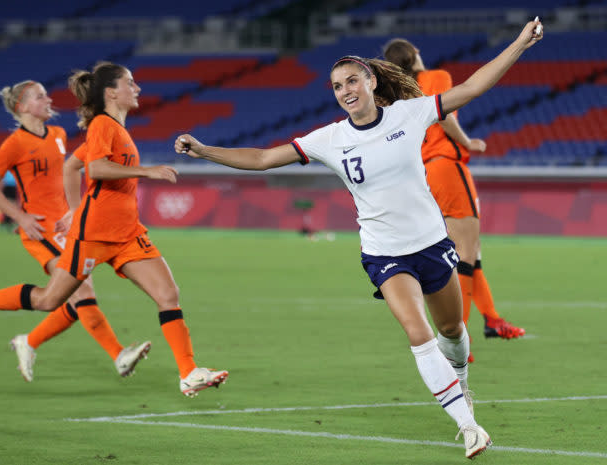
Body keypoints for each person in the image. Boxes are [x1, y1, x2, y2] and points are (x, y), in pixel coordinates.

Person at [173, 19, 543, 458]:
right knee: (418, 333)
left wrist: (520, 42)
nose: (345, 90)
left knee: (452, 330)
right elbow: (263, 157)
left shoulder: (411, 112)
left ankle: (460, 383)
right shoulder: (330, 138)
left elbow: (473, 86)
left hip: (431, 243)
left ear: (371, 81)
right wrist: (205, 150)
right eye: (336, 86)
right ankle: (467, 426)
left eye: (352, 80)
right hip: (385, 254)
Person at [0, 64, 228, 398]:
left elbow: (72, 166)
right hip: (93, 236)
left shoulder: (110, 128)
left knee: (168, 295)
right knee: (51, 300)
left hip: (126, 234)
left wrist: (73, 209)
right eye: (130, 83)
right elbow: (95, 168)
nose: (137, 88)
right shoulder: (102, 125)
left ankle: (188, 373)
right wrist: (146, 171)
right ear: (111, 92)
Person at [0, 79, 151, 383]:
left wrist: (74, 212)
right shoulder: (14, 144)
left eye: (46, 95)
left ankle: (22, 337)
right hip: (40, 231)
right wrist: (21, 217)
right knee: (81, 292)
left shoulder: (58, 135)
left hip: (66, 227)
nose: (48, 100)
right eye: (40, 96)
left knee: (64, 301)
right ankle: (119, 355)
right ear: (22, 107)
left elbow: (67, 176)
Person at [382, 38, 526, 354]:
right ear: (416, 52)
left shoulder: (397, 95)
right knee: (465, 251)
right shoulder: (437, 77)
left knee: (469, 250)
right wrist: (469, 142)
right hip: (446, 165)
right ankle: (457, 337)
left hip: (426, 172)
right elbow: (443, 114)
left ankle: (491, 320)